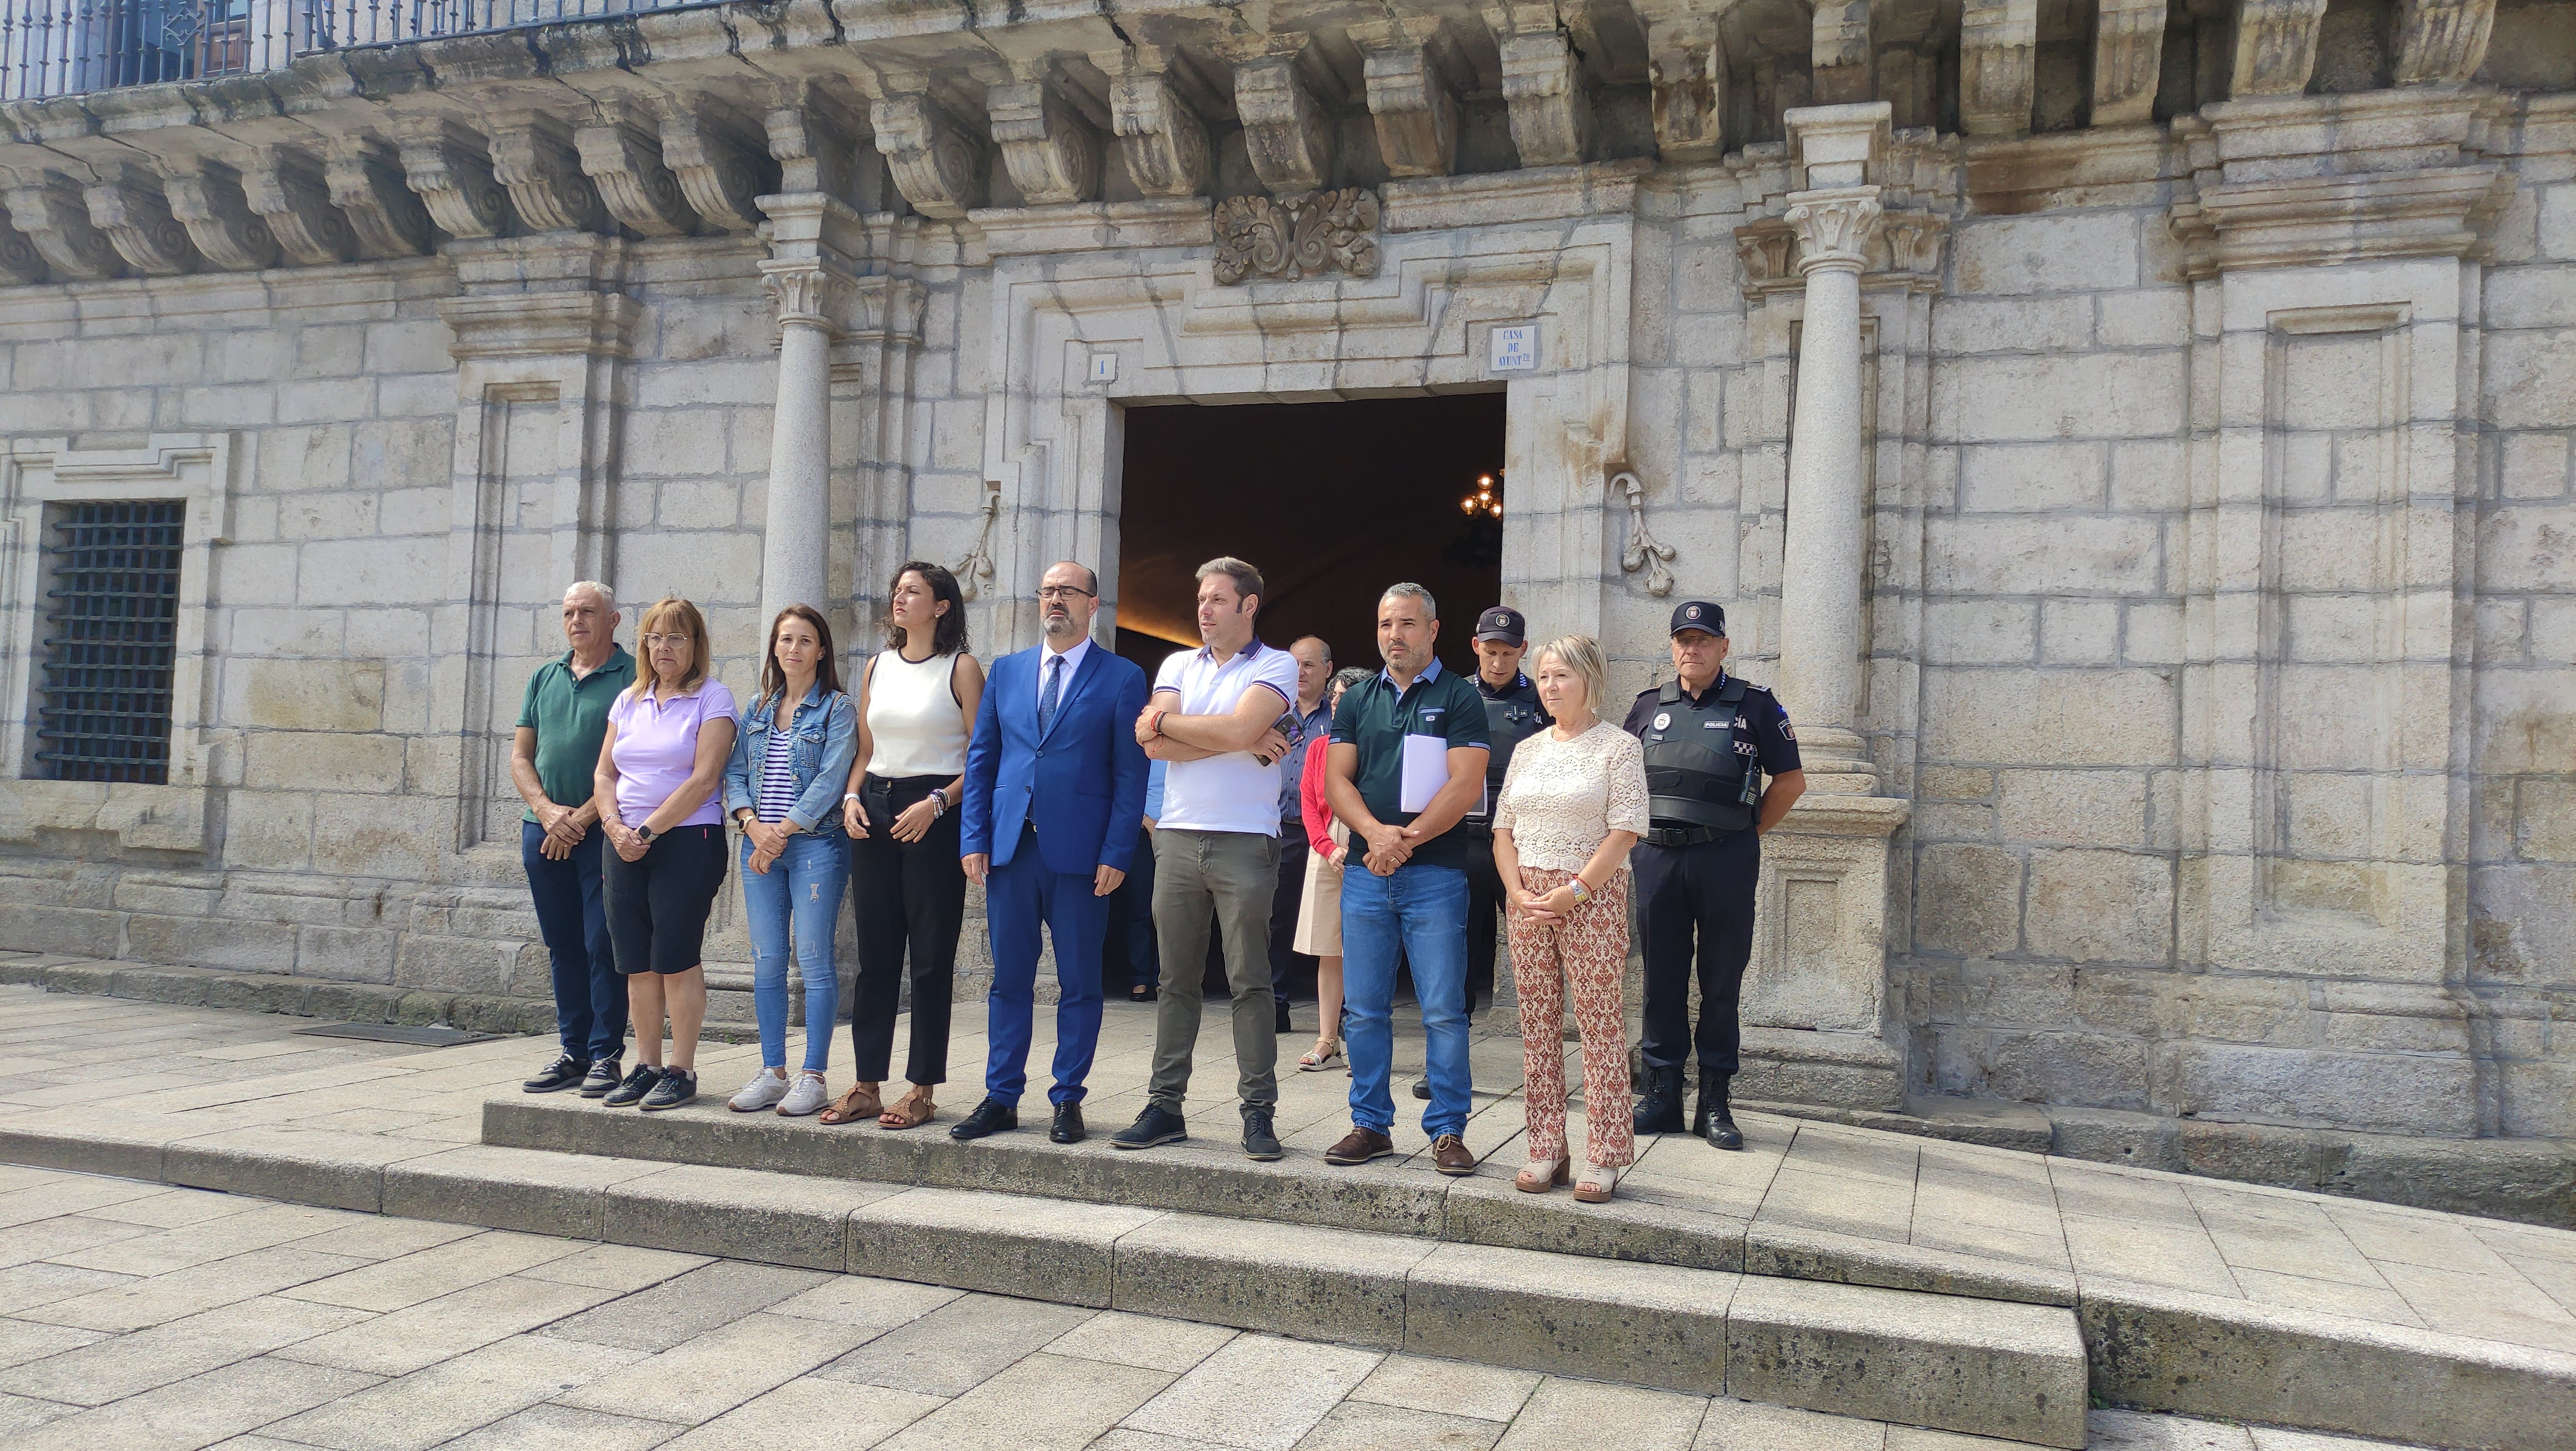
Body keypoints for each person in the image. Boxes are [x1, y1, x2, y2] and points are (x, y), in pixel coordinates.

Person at [953, 562, 1152, 1145]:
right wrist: (974, 837)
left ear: (1094, 604)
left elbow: (1128, 774)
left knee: (1080, 984)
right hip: (1012, 850)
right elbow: (982, 760)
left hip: (1083, 857)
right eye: (1047, 591)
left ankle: (1068, 1098)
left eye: (1067, 591)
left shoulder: (1122, 677)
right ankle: (1001, 1096)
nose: (1055, 600)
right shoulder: (1009, 672)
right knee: (1007, 980)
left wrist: (1119, 850)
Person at [1114, 557, 1302, 1161]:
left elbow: (1198, 731)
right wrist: (1233, 736)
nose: (1204, 609)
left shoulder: (1276, 665)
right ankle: (1165, 1106)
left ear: (1248, 606)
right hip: (1174, 837)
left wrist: (1193, 729)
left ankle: (1258, 1114)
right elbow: (1150, 742)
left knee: (1250, 981)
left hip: (1245, 839)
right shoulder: (1175, 663)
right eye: (1201, 598)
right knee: (1175, 981)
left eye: (1218, 599)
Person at [1624, 600, 1806, 1151]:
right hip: (1657, 857)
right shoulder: (1646, 706)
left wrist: (1747, 835)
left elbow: (1790, 782)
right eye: (1683, 638)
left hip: (1725, 856)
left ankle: (1714, 1103)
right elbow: (1622, 781)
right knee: (1661, 979)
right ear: (1672, 645)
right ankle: (1661, 1096)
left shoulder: (1755, 705)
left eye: (1703, 640)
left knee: (1720, 982)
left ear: (1723, 647)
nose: (1691, 648)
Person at [1322, 583, 1491, 1175]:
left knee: (1443, 1009)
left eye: (1408, 624)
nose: (1395, 635)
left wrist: (1404, 840)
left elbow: (1463, 785)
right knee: (1364, 1010)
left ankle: (1447, 1132)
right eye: (1386, 624)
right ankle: (1370, 1126)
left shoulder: (1460, 698)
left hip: (1435, 876)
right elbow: (1335, 782)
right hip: (1369, 875)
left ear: (1433, 630)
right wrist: (1375, 835)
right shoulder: (1356, 699)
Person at [830, 562, 986, 1130]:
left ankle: (922, 1089)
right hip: (875, 808)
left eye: (913, 591)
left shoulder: (962, 669)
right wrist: (850, 798)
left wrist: (940, 803)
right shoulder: (876, 666)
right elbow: (866, 750)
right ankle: (867, 1083)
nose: (900, 599)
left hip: (934, 810)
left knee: (928, 959)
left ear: (941, 605)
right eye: (897, 590)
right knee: (875, 957)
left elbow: (981, 756)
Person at [1492, 635, 1647, 1201]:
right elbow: (1503, 828)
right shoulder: (1528, 749)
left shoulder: (1619, 748)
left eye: (1562, 676)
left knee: (1599, 1024)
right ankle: (1545, 1146)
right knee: (1535, 1026)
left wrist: (1576, 890)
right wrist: (1514, 889)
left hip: (1591, 897)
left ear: (1589, 679)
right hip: (1528, 899)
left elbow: (1625, 829)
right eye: (1544, 677)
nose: (1551, 687)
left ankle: (1604, 1153)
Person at [592, 597, 736, 1111]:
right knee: (636, 962)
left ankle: (682, 1069)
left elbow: (703, 780)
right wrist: (613, 825)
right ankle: (646, 1065)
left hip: (685, 842)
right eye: (655, 637)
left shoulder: (713, 699)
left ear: (695, 644)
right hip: (623, 842)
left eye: (676, 637)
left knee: (675, 959)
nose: (664, 647)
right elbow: (605, 773)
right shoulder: (628, 699)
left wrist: (647, 832)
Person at [721, 605, 858, 1117]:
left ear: (821, 650)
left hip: (814, 846)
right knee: (767, 962)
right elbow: (733, 773)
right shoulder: (757, 708)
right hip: (759, 848)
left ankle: (813, 1075)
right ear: (774, 649)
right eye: (785, 640)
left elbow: (831, 778)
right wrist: (754, 827)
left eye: (805, 640)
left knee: (817, 961)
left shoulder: (837, 709)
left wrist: (780, 832)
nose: (794, 650)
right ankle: (772, 1070)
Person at [513, 582, 638, 1098]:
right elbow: (522, 756)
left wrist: (581, 819)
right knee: (562, 945)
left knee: (601, 944)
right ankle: (573, 1051)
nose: (576, 620)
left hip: (601, 830)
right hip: (542, 831)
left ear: (614, 619)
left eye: (588, 611)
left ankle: (607, 1054)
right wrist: (545, 811)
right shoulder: (545, 676)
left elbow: (633, 763)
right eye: (568, 612)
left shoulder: (634, 677)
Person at [1459, 606, 1550, 1015]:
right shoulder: (1454, 695)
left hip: (1521, 844)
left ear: (1523, 651)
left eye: (1508, 654)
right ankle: (1445, 1063)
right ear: (1477, 646)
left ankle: (1541, 1057)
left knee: (1534, 947)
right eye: (1490, 652)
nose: (1498, 663)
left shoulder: (1543, 700)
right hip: (1463, 840)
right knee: (1453, 951)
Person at [1295, 666, 1374, 1072]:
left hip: (1370, 844)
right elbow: (1309, 801)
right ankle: (1328, 1039)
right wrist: (1326, 847)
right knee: (1329, 947)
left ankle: (1366, 1038)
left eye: (1348, 696)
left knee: (1372, 947)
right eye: (1336, 696)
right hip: (1326, 845)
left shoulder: (1381, 742)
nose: (1338, 703)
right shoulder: (1320, 746)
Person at [1269, 636, 1335, 1033]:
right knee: (1276, 920)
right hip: (1282, 830)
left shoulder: (1341, 715)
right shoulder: (1274, 712)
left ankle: (1340, 1014)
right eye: (1295, 665)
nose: (1301, 673)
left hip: (1327, 836)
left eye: (1309, 665)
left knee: (1333, 924)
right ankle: (1276, 1004)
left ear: (1328, 669)